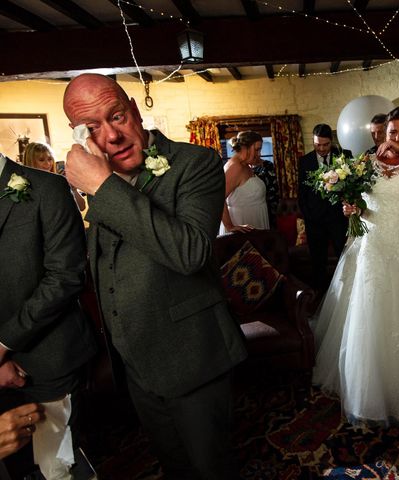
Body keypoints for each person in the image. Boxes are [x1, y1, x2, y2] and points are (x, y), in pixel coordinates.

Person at [63, 73, 247, 479]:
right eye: (92, 128)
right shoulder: (95, 179)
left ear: (133, 107)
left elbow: (191, 253)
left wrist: (102, 185)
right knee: (174, 466)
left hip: (192, 356)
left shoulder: (195, 163)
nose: (111, 135)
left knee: (211, 469)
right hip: (135, 364)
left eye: (116, 116)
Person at [312, 106, 399, 427]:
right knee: (369, 314)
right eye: (393, 133)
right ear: (383, 132)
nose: (398, 138)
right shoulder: (366, 163)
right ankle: (369, 392)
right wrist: (353, 208)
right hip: (372, 247)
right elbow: (362, 203)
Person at [0, 152, 96, 477]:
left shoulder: (47, 188)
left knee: (56, 466)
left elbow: (65, 276)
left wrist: (2, 344)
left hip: (48, 359)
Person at [298, 124, 351, 290]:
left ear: (332, 141)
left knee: (345, 258)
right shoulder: (304, 161)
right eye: (317, 144)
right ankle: (320, 297)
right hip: (315, 222)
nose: (321, 148)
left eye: (325, 144)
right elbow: (302, 193)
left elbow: (351, 186)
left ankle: (346, 293)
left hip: (339, 219)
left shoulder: (344, 156)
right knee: (318, 263)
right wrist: (308, 217)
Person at [220, 131, 270, 234]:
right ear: (245, 147)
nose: (259, 154)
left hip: (254, 221)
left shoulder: (245, 165)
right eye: (257, 149)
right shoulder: (235, 167)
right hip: (242, 222)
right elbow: (218, 197)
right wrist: (230, 226)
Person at [23, 142, 86, 210]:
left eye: (50, 159)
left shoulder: (57, 180)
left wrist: (73, 190)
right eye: (41, 160)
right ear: (30, 161)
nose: (48, 164)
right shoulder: (25, 185)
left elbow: (81, 207)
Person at [250, 156, 279, 229]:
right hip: (250, 205)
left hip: (268, 204)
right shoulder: (243, 169)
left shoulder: (268, 165)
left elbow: (274, 188)